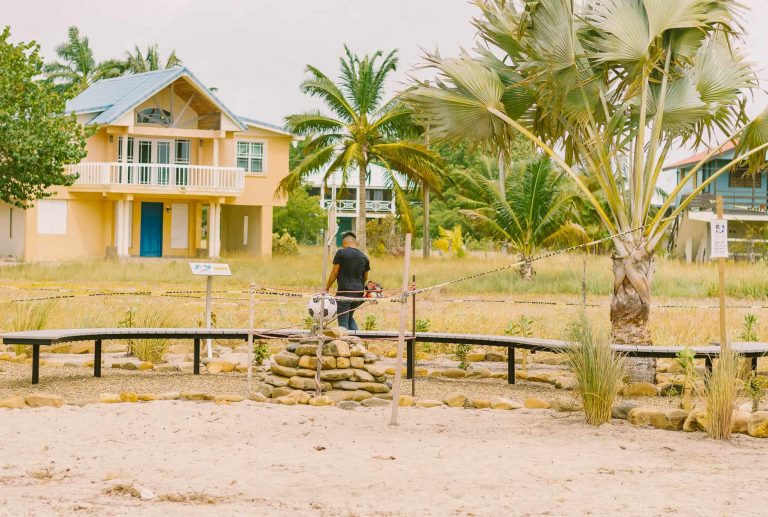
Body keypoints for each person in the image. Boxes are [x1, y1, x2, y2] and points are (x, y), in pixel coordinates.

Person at [325, 232, 370, 330]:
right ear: (355, 243)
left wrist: (326, 288)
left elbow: (335, 272)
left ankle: (346, 343)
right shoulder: (364, 257)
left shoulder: (341, 253)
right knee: (349, 317)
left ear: (345, 242)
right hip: (358, 295)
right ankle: (358, 341)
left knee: (343, 324)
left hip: (344, 294)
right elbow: (365, 277)